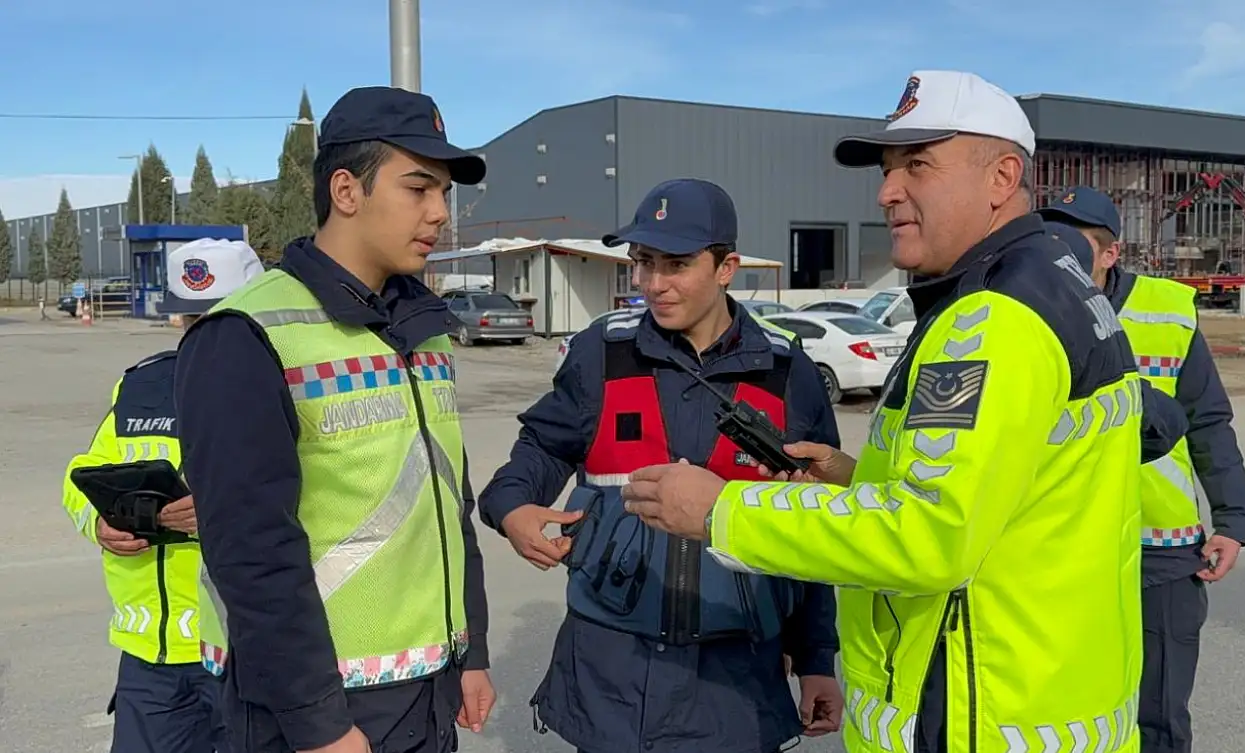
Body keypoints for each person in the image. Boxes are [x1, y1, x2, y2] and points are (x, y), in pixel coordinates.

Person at [617, 70, 1178, 753]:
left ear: (1002, 178)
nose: (887, 191)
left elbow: (930, 533)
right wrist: (855, 476)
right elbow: (1008, 494)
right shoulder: (1060, 286)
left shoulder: (993, 319)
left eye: (919, 164)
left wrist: (720, 511)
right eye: (887, 169)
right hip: (1055, 698)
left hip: (980, 716)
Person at [173, 86, 495, 753]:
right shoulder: (246, 334)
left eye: (443, 193)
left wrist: (473, 648)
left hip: (425, 689)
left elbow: (448, 506)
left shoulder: (425, 331)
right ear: (345, 190)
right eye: (418, 188)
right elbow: (250, 549)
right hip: (314, 711)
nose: (439, 213)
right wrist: (319, 722)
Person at [477, 178, 844, 753]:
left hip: (736, 688)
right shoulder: (601, 351)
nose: (651, 283)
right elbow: (542, 448)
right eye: (642, 262)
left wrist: (818, 656)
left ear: (727, 267)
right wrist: (510, 506)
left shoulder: (787, 370)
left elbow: (815, 522)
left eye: (675, 264)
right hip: (611, 681)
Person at [1038, 186, 1245, 753]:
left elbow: (1207, 420)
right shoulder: (1023, 310)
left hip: (1160, 551)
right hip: (1060, 548)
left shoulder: (1166, 309)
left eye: (1078, 244)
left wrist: (1235, 518)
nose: (1060, 255)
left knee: (1158, 716)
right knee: (1064, 715)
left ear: (1111, 253)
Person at [62, 238, 265, 753]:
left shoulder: (289, 386)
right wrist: (99, 521)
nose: (202, 334)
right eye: (191, 318)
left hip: (245, 651)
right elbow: (83, 473)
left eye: (221, 318)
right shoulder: (140, 386)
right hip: (150, 658)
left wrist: (225, 511)